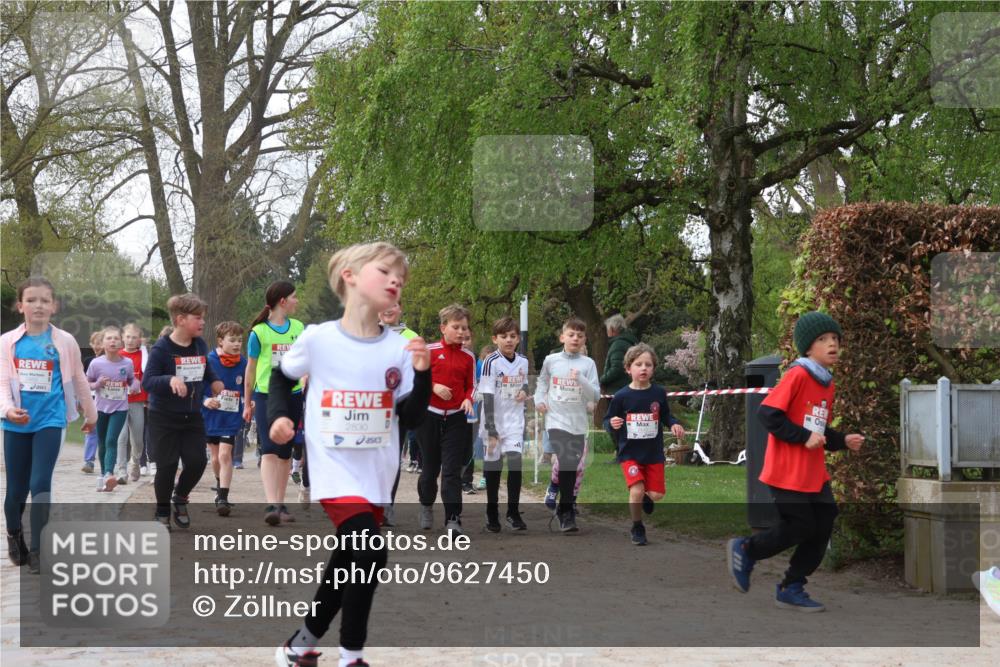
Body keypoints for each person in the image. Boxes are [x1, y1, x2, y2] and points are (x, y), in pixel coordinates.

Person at [268, 241, 430, 667]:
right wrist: (280, 417)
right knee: (371, 551)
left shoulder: (399, 348)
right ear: (350, 276)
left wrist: (423, 375)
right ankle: (352, 655)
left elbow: (411, 416)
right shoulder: (319, 339)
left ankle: (300, 645)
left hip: (377, 471)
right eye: (386, 271)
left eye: (402, 277)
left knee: (350, 559)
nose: (396, 280)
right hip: (334, 467)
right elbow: (281, 378)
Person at [727, 311, 865, 612]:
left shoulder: (827, 383)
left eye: (835, 339)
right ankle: (748, 549)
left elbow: (816, 428)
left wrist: (843, 440)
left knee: (824, 523)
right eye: (823, 339)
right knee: (800, 526)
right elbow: (768, 414)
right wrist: (803, 437)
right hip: (786, 472)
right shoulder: (798, 375)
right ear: (807, 347)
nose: (832, 344)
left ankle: (792, 586)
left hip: (814, 473)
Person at [1, 277, 97, 573]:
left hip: (50, 421)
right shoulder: (7, 342)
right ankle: (14, 534)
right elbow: (2, 382)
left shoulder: (64, 342)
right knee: (16, 489)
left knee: (40, 483)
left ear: (54, 306)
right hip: (16, 423)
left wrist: (91, 415)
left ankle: (39, 549)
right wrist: (7, 409)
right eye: (31, 300)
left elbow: (79, 378)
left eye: (44, 300)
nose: (38, 305)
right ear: (21, 306)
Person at [143, 293, 224, 530]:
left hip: (192, 416)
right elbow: (148, 382)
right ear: (180, 319)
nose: (202, 322)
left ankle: (180, 497)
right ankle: (162, 512)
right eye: (197, 318)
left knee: (198, 462)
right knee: (167, 466)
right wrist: (169, 380)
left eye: (203, 318)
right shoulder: (162, 348)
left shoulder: (199, 344)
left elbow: (207, 369)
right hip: (163, 417)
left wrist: (215, 381)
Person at [603, 343, 685, 546]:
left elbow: (666, 415)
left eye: (648, 364)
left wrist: (674, 424)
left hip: (653, 454)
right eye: (638, 364)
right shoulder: (621, 396)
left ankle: (646, 498)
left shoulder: (658, 393)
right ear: (628, 368)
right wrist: (612, 423)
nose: (643, 368)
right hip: (629, 453)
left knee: (656, 495)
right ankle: (637, 526)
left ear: (653, 369)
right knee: (637, 490)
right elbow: (607, 420)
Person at [243, 281, 305, 526]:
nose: (296, 301)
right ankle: (271, 504)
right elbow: (251, 368)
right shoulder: (258, 332)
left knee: (285, 451)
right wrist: (247, 403)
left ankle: (280, 504)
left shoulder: (299, 328)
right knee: (269, 448)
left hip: (293, 393)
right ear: (282, 301)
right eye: (294, 297)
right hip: (266, 394)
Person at [534, 318, 600, 533]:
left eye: (580, 336)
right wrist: (539, 400)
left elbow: (595, 394)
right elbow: (542, 383)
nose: (575, 338)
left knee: (571, 464)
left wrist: (580, 378)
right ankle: (567, 512)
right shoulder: (551, 360)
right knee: (565, 461)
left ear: (584, 340)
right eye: (571, 334)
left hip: (578, 422)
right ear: (562, 337)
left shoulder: (588, 365)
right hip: (556, 420)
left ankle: (565, 506)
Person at [417, 303, 475, 535]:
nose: (462, 332)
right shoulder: (429, 351)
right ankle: (426, 505)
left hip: (456, 418)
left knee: (451, 470)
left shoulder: (468, 357)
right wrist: (433, 386)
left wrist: (469, 399)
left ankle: (453, 518)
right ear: (443, 328)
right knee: (430, 468)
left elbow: (471, 385)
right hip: (429, 416)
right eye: (456, 327)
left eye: (465, 328)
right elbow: (415, 380)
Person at [479, 317, 529, 532]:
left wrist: (524, 391)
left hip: (515, 421)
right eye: (504, 336)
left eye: (512, 336)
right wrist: (491, 427)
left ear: (518, 339)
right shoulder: (491, 361)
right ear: (495, 339)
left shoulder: (523, 361)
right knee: (494, 467)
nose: (508, 340)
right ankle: (492, 513)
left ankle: (513, 511)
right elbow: (487, 394)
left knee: (516, 464)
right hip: (494, 421)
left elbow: (525, 382)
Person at [86, 326, 141, 492]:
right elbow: (86, 383)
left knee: (111, 440)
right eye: (109, 338)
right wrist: (97, 384)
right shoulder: (96, 363)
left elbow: (132, 380)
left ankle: (110, 473)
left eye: (116, 338)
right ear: (102, 343)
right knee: (102, 443)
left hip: (120, 408)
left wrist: (135, 386)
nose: (113, 341)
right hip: (101, 408)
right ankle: (104, 476)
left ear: (121, 342)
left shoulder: (127, 362)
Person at [202, 321, 247, 517]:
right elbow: (199, 386)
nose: (237, 344)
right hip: (211, 416)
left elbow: (247, 385)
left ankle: (223, 498)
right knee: (214, 457)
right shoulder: (209, 361)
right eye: (232, 340)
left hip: (231, 416)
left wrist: (249, 401)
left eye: (240, 340)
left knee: (224, 455)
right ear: (220, 341)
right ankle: (220, 484)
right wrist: (205, 400)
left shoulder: (244, 363)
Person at [382, 301, 419, 526]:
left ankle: (387, 506)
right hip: (370, 405)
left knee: (392, 457)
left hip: (400, 404)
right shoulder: (365, 331)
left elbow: (417, 372)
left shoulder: (411, 337)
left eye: (393, 305)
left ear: (400, 309)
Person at [116, 323, 149, 482]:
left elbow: (148, 376)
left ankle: (135, 462)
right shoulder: (117, 354)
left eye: (134, 337)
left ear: (139, 340)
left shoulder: (143, 356)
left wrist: (148, 398)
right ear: (122, 337)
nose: (130, 340)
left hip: (137, 402)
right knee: (121, 437)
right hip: (119, 402)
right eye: (127, 336)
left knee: (137, 440)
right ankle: (122, 471)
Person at [80, 330, 103, 474]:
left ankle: (108, 462)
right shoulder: (88, 361)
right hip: (91, 399)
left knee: (105, 431)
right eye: (94, 343)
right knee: (91, 430)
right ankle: (88, 461)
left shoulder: (112, 362)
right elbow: (82, 381)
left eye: (100, 343)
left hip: (106, 400)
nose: (97, 346)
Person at [599, 314, 638, 396]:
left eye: (607, 329)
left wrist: (602, 379)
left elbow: (616, 368)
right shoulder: (631, 341)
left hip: (617, 389)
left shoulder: (618, 344)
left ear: (612, 329)